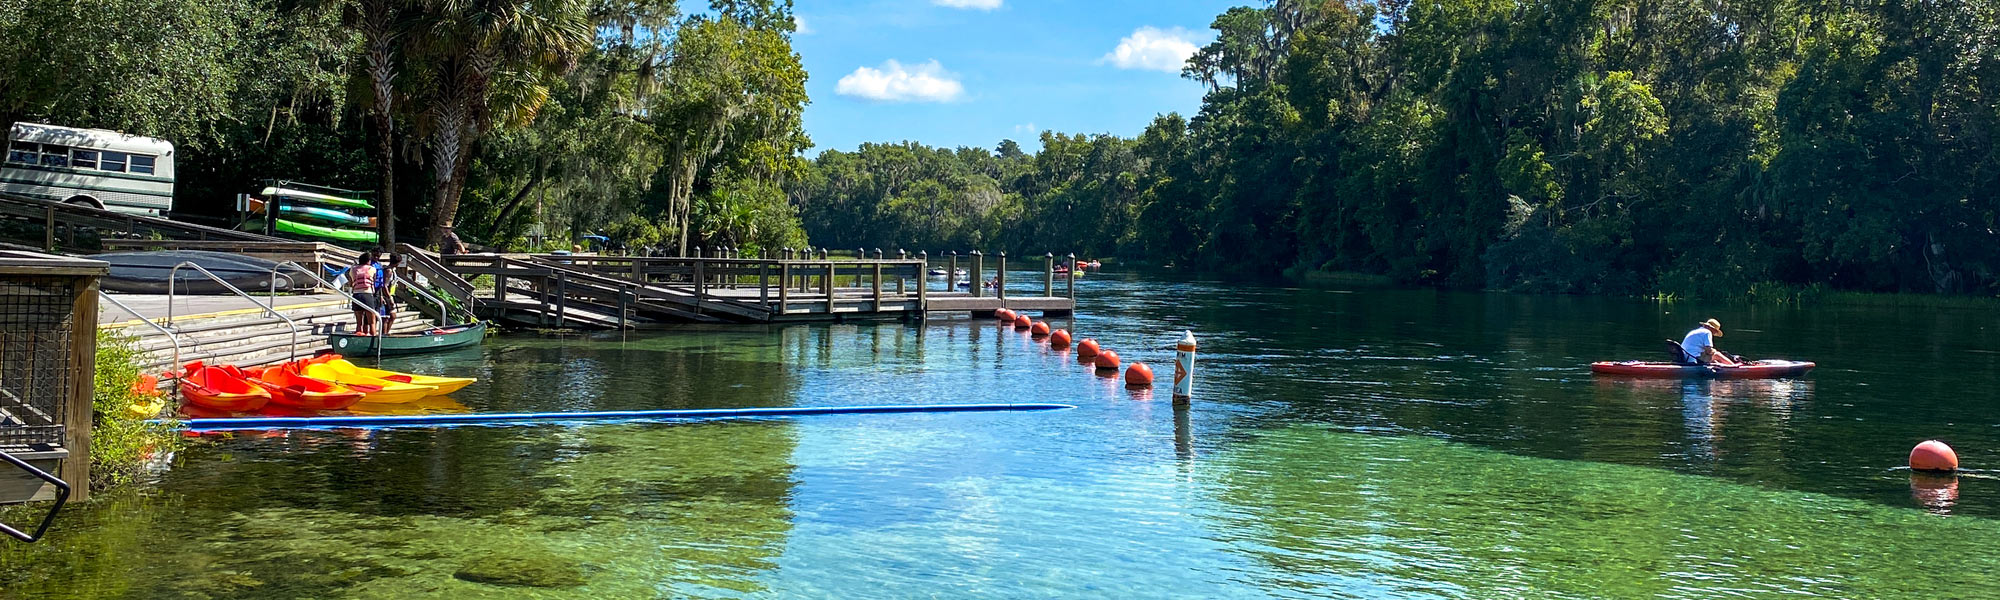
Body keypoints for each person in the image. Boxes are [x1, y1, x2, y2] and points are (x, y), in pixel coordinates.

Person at [346, 254, 379, 335]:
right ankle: (373, 339)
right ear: (368, 261)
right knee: (372, 322)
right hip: (367, 294)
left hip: (356, 295)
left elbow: (350, 283)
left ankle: (359, 340)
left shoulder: (352, 269)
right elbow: (374, 281)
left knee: (359, 323)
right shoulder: (372, 269)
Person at [376, 253, 402, 333]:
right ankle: (384, 334)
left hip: (391, 294)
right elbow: (385, 285)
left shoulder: (392, 270)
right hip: (386, 296)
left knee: (392, 316)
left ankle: (386, 332)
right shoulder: (388, 271)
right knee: (386, 318)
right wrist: (389, 297)